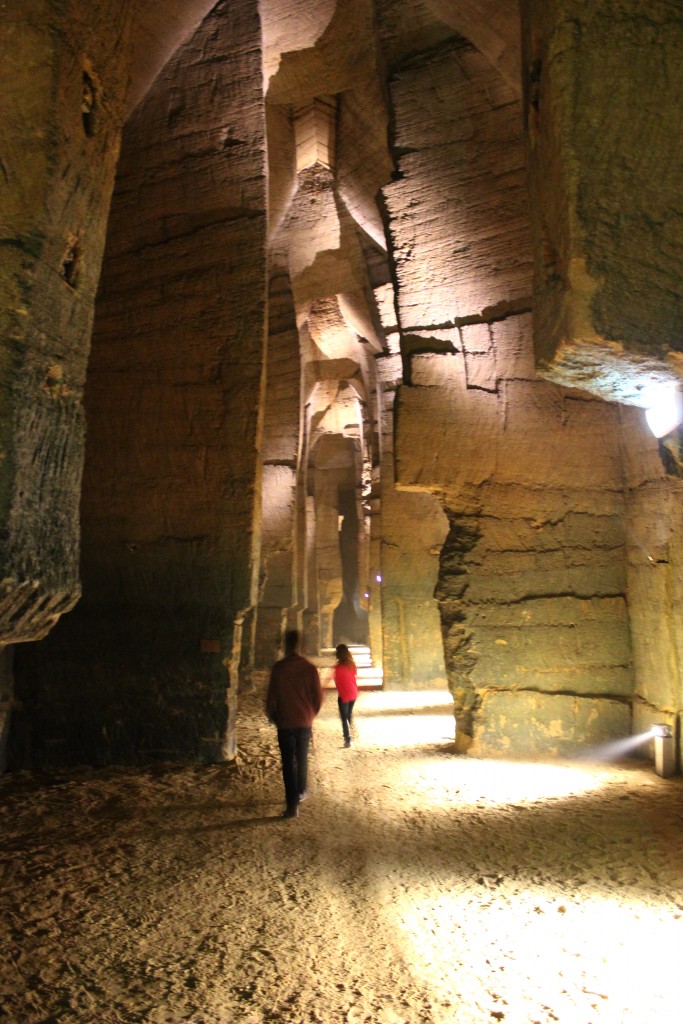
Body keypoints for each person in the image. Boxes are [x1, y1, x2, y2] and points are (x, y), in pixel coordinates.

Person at [265, 630, 323, 818]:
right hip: (303, 721)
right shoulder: (309, 668)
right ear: (301, 645)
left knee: (288, 763)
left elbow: (270, 698)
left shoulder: (279, 668)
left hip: (285, 722)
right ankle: (300, 792)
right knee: (302, 758)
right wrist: (310, 714)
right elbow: (318, 698)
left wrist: (274, 716)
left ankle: (292, 806)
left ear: (285, 644)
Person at [333, 643, 358, 748]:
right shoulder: (352, 664)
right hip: (353, 693)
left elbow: (336, 679)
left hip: (343, 695)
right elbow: (355, 674)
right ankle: (353, 732)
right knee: (349, 714)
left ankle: (348, 739)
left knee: (344, 718)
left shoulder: (338, 667)